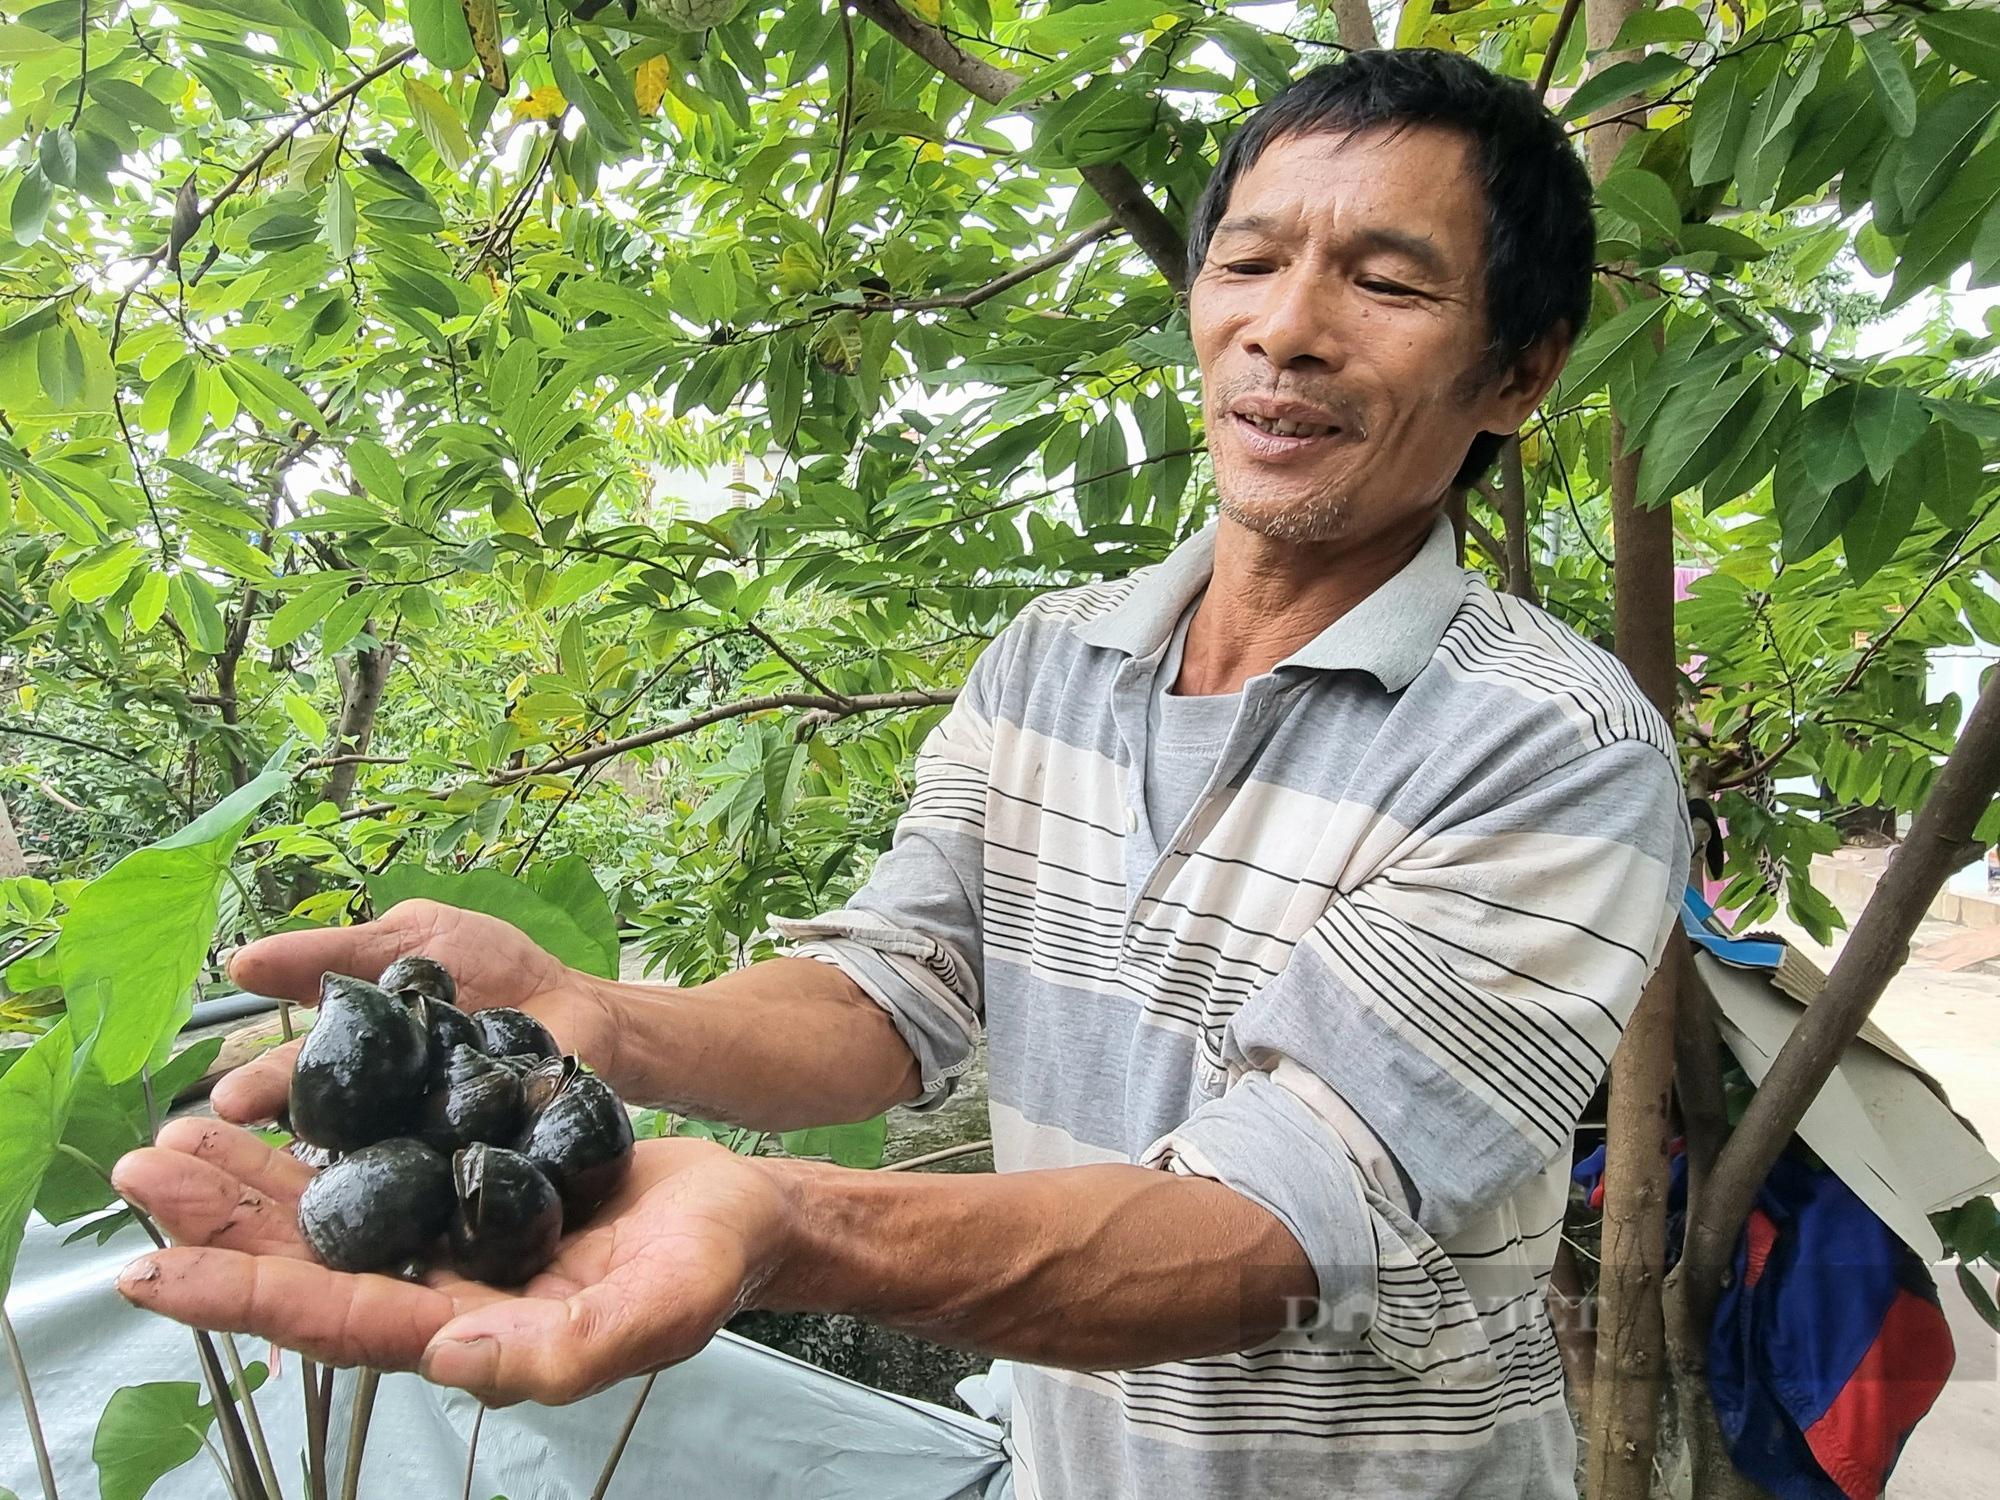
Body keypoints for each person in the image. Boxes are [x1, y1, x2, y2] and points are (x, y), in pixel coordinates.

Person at [114, 48, 1690, 1500]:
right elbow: (896, 993)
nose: (1286, 327)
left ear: (1519, 373)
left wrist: (781, 1227)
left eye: (1388, 280)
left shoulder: (1552, 746)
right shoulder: (1052, 657)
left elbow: (1279, 1225)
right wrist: (588, 1023)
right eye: (1252, 259)